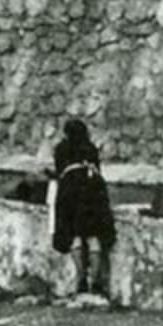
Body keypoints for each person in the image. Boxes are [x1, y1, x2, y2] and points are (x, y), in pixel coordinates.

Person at [49, 118, 115, 297]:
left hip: (71, 190)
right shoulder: (91, 148)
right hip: (93, 190)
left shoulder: (62, 149)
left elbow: (59, 171)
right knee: (94, 236)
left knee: (75, 235)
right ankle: (96, 280)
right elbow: (98, 170)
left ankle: (81, 278)